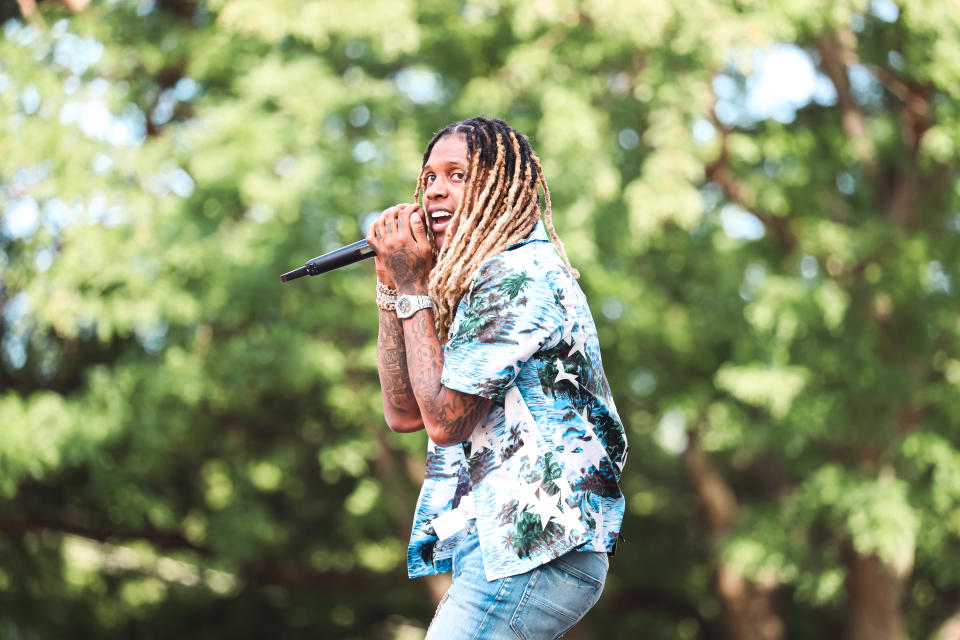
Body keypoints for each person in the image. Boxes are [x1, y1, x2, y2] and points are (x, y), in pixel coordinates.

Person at [365, 117, 627, 639]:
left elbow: (445, 423)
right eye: (430, 177)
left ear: (501, 189)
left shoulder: (520, 275)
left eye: (458, 175)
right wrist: (391, 290)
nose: (436, 189)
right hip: (500, 545)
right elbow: (404, 413)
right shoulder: (482, 282)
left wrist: (413, 282)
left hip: (537, 544)